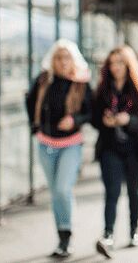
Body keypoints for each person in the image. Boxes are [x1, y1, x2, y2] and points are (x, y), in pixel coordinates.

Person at [92, 45, 138, 258]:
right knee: (111, 191)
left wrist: (129, 120)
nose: (116, 67)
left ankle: (134, 230)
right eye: (112, 63)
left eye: (120, 62)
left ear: (129, 64)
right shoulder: (103, 89)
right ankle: (108, 235)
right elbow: (93, 118)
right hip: (109, 147)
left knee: (133, 190)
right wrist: (104, 121)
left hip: (134, 148)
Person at [25, 39, 92, 258]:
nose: (63, 62)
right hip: (46, 143)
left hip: (70, 144)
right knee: (56, 193)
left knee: (63, 189)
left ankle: (67, 232)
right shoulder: (44, 80)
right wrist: (35, 126)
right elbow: (30, 100)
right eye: (59, 57)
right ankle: (62, 238)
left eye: (67, 57)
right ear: (53, 59)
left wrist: (74, 120)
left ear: (73, 59)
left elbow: (91, 112)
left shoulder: (81, 83)